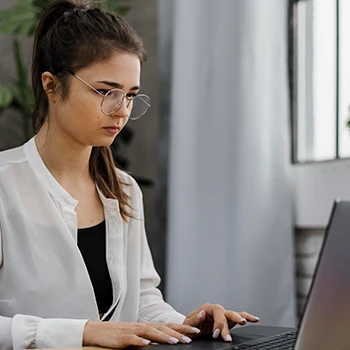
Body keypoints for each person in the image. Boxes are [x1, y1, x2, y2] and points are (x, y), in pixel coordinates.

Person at [0, 0, 259, 348]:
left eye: (131, 96)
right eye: (107, 92)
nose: (121, 111)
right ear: (51, 85)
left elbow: (143, 300)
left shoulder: (123, 190)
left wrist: (185, 324)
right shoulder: (5, 185)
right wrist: (85, 333)